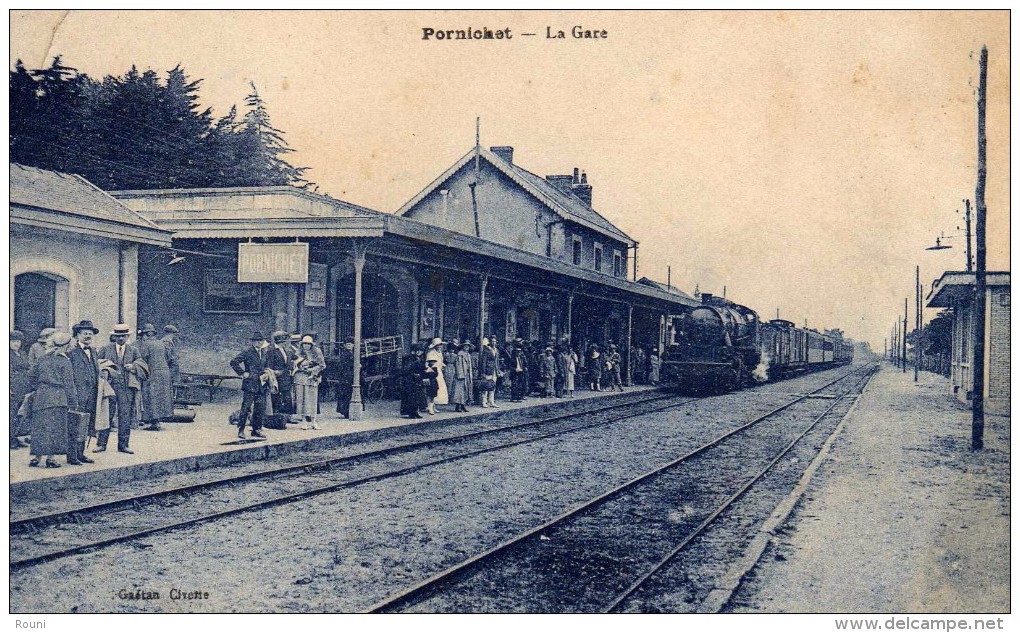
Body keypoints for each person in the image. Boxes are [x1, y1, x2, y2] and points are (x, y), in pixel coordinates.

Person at [27, 332, 77, 468]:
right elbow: (69, 384)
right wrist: (73, 402)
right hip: (58, 397)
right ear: (67, 346)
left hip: (41, 397)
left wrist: (37, 388)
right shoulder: (64, 361)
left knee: (39, 427)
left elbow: (31, 376)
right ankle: (51, 458)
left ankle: (36, 458)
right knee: (55, 428)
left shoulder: (42, 358)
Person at [96, 324, 144, 453]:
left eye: (123, 336)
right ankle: (101, 444)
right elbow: (97, 363)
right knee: (107, 414)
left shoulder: (133, 350)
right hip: (110, 386)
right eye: (118, 336)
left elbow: (142, 365)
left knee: (125, 415)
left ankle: (123, 445)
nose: (121, 338)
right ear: (114, 336)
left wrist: (133, 367)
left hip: (126, 387)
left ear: (128, 337)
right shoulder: (106, 349)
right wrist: (105, 368)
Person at [67, 320, 100, 465]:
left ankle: (81, 454)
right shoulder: (72, 352)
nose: (88, 336)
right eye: (84, 333)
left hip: (91, 394)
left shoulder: (93, 351)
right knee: (75, 424)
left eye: (90, 333)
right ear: (78, 335)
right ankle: (72, 455)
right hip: (78, 395)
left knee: (86, 425)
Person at [230, 332, 272, 439]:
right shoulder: (248, 352)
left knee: (260, 408)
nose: (259, 343)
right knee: (246, 408)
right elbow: (233, 362)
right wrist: (243, 373)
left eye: (261, 341)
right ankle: (241, 429)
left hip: (262, 384)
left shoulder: (264, 352)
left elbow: (267, 366)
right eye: (257, 341)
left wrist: (267, 373)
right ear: (253, 342)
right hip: (250, 384)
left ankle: (256, 430)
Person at [137, 324, 174, 431]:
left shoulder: (146, 344)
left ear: (147, 334)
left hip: (153, 373)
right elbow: (169, 358)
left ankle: (154, 422)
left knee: (151, 397)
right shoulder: (161, 343)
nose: (142, 338)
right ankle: (157, 421)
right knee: (162, 397)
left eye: (143, 335)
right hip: (165, 372)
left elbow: (142, 358)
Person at [293, 335, 326, 429]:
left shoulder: (317, 352)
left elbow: (322, 365)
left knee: (312, 399)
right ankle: (303, 420)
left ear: (311, 345)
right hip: (300, 377)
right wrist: (300, 366)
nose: (306, 345)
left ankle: (313, 421)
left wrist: (313, 370)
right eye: (304, 344)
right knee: (301, 399)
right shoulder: (298, 352)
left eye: (308, 344)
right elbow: (294, 364)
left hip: (312, 378)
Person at [10, 331, 31, 448]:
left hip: (23, 386)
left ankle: (15, 436)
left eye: (18, 341)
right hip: (12, 386)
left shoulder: (22, 354)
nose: (16, 344)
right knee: (11, 413)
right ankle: (9, 439)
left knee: (19, 414)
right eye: (13, 341)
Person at [268, 331, 296, 417]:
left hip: (285, 376)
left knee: (287, 397)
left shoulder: (285, 350)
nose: (286, 342)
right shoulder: (272, 350)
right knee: (276, 397)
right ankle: (277, 416)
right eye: (285, 340)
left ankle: (288, 416)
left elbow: (287, 362)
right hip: (277, 377)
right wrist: (273, 372)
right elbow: (269, 364)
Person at [398, 349, 427, 419]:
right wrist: (414, 374)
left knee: (417, 397)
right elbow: (406, 370)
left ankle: (415, 412)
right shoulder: (409, 359)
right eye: (417, 350)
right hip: (409, 380)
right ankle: (411, 413)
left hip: (416, 380)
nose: (419, 352)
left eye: (420, 351)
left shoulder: (420, 358)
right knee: (411, 397)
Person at [425, 338, 448, 412]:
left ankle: (433, 406)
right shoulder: (431, 353)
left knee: (438, 389)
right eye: (437, 345)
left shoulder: (440, 353)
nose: (439, 346)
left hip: (439, 371)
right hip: (432, 372)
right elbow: (430, 363)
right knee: (432, 389)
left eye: (440, 345)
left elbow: (440, 361)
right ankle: (430, 406)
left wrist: (443, 365)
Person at [334, 341, 356, 419]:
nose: (349, 346)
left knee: (348, 393)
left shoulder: (352, 353)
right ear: (345, 345)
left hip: (349, 375)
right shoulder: (345, 354)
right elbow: (345, 365)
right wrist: (356, 365)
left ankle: (347, 411)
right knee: (346, 393)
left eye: (350, 344)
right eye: (347, 344)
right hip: (346, 375)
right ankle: (345, 411)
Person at [477, 337, 500, 408]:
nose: (493, 343)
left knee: (493, 386)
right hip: (488, 370)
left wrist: (498, 370)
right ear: (490, 342)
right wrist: (483, 372)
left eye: (495, 341)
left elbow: (497, 362)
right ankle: (484, 402)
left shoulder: (496, 350)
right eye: (492, 341)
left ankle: (491, 401)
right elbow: (483, 362)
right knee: (486, 386)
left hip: (494, 371)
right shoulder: (486, 350)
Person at [452, 343, 474, 412]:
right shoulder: (460, 355)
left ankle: (463, 405)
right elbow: (458, 366)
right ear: (462, 347)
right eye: (465, 346)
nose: (466, 347)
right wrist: (460, 375)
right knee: (459, 391)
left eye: (468, 346)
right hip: (461, 375)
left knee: (466, 390)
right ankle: (458, 406)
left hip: (467, 374)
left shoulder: (468, 355)